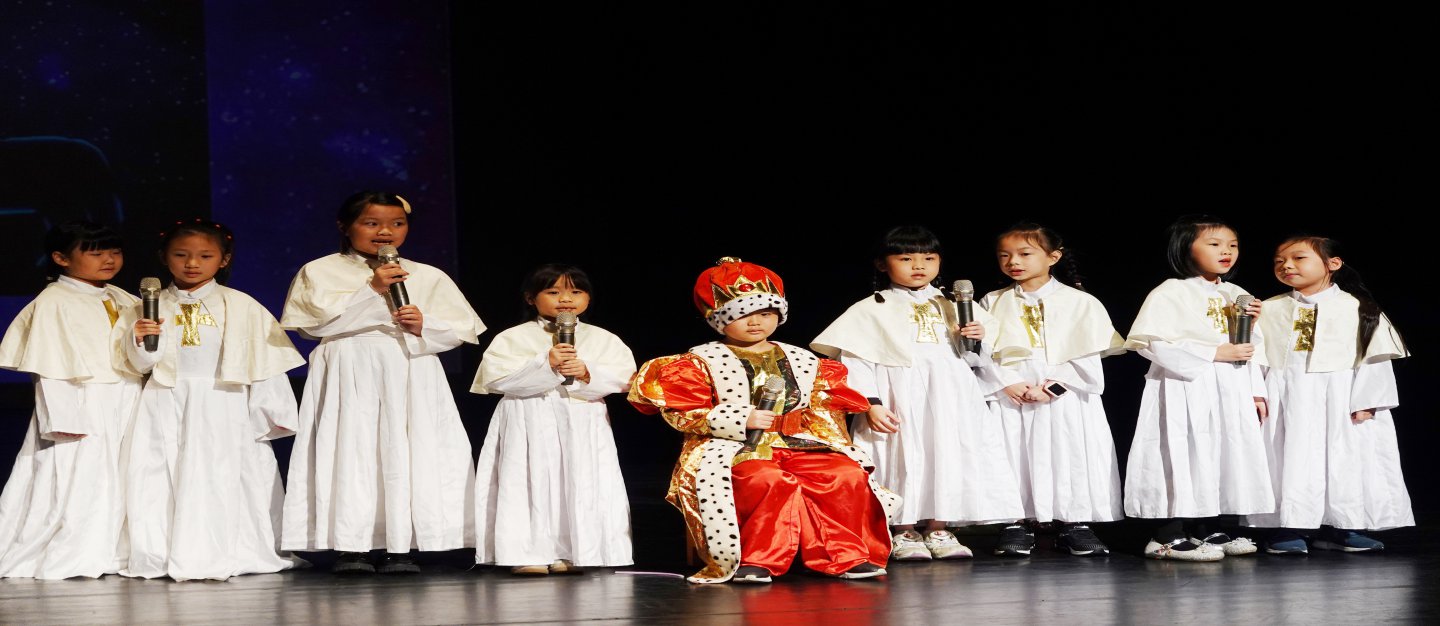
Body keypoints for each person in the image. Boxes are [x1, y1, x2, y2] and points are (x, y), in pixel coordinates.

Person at [628, 257, 899, 584]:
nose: (755, 322)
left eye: (766, 313)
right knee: (766, 478)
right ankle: (759, 558)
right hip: (731, 446)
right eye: (742, 314)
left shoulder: (802, 359)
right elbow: (684, 413)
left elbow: (821, 411)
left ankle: (843, 555)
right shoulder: (699, 361)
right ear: (719, 319)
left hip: (797, 442)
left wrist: (836, 446)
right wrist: (740, 417)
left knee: (843, 473)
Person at [280, 191, 486, 574]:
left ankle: (402, 546)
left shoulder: (427, 275)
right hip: (347, 366)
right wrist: (371, 290)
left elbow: (461, 330)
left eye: (397, 223)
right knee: (350, 450)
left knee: (406, 450)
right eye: (371, 223)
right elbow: (314, 326)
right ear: (345, 226)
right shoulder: (319, 270)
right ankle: (351, 546)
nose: (385, 232)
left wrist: (424, 325)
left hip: (409, 366)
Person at [811, 225, 1025, 560]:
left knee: (947, 452)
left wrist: (977, 339)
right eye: (906, 258)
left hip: (950, 394)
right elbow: (856, 362)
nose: (919, 266)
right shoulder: (870, 309)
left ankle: (940, 526)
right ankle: (903, 529)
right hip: (896, 393)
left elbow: (978, 359)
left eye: (928, 258)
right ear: (883, 264)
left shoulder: (956, 304)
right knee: (902, 454)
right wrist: (871, 404)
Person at [119, 218, 308, 581]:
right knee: (161, 473)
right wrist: (139, 340)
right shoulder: (146, 306)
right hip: (165, 399)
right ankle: (161, 551)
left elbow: (264, 362)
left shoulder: (241, 305)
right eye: (181, 255)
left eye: (205, 256)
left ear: (224, 259)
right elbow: (139, 364)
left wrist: (271, 413)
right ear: (164, 257)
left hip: (224, 400)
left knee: (226, 473)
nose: (192, 263)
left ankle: (235, 548)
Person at [1247, 235, 1412, 554]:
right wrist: (1256, 393)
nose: (1286, 265)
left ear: (1333, 264)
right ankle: (1287, 527)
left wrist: (1369, 400)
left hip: (1341, 394)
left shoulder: (1358, 307)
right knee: (1288, 459)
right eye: (1279, 261)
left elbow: (1376, 358)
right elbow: (1255, 355)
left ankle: (1342, 527)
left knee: (1344, 458)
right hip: (1286, 395)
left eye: (1298, 258)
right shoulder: (1269, 308)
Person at [1123, 214, 1272, 561]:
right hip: (1185, 385)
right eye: (1215, 244)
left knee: (1221, 452)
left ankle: (1207, 526)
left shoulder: (1236, 293)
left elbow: (1250, 347)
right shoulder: (1171, 292)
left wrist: (1255, 390)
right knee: (1182, 451)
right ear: (1186, 248)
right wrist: (1212, 353)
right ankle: (1166, 535)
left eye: (1232, 245)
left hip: (1230, 387)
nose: (1226, 251)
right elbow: (1152, 343)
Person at [472, 263, 636, 575]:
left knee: (579, 481)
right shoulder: (513, 337)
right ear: (530, 298)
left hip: (582, 419)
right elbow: (496, 379)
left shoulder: (603, 338)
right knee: (525, 480)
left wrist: (587, 373)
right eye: (553, 291)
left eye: (576, 291)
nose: (566, 299)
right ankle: (525, 552)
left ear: (588, 298)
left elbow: (627, 380)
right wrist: (544, 363)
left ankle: (573, 551)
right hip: (528, 416)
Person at [0, 220, 142, 579]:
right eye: (95, 253)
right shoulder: (54, 302)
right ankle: (73, 550)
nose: (108, 259)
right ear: (61, 258)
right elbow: (50, 365)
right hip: (83, 400)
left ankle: (116, 548)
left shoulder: (121, 297)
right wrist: (61, 418)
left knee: (121, 474)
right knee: (78, 476)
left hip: (125, 396)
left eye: (114, 251)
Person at [979, 222, 1126, 556]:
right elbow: (981, 352)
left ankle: (1074, 523)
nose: (1013, 262)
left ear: (1053, 257)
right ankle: (1016, 522)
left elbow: (1088, 357)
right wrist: (1006, 382)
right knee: (1013, 453)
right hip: (1012, 393)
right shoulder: (992, 301)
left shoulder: (1080, 302)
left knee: (1070, 451)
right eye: (1005, 255)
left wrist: (1053, 388)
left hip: (1065, 395)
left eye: (1024, 254)